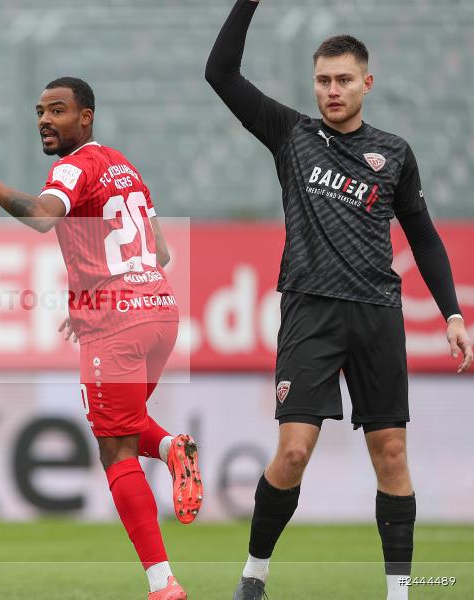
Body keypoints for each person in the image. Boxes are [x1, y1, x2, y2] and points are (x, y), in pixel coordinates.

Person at [205, 1, 473, 599]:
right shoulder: (291, 134)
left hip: (377, 312)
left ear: (366, 84)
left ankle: (399, 593)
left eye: (344, 80)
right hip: (310, 310)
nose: (332, 90)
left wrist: (452, 313)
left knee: (392, 452)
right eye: (323, 80)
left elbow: (423, 236)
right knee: (294, 451)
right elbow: (220, 74)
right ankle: (254, 575)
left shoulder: (394, 153)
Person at [0, 77, 203, 600]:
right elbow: (159, 251)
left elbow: (43, 219)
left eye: (58, 110)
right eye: (40, 111)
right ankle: (173, 447)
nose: (45, 119)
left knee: (115, 449)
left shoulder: (72, 167)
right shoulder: (124, 167)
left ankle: (163, 585)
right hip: (159, 311)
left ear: (85, 117)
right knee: (124, 425)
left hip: (117, 324)